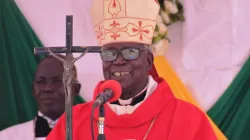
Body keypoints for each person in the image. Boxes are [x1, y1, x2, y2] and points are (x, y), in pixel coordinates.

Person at [46, 0, 217, 139]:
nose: (119, 61)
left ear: (148, 61)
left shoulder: (188, 120)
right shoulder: (74, 122)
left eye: (130, 52)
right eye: (110, 53)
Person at [0, 55, 84, 140]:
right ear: (33, 89)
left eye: (57, 81)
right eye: (41, 81)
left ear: (76, 89)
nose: (47, 88)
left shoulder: (94, 134)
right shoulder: (6, 137)